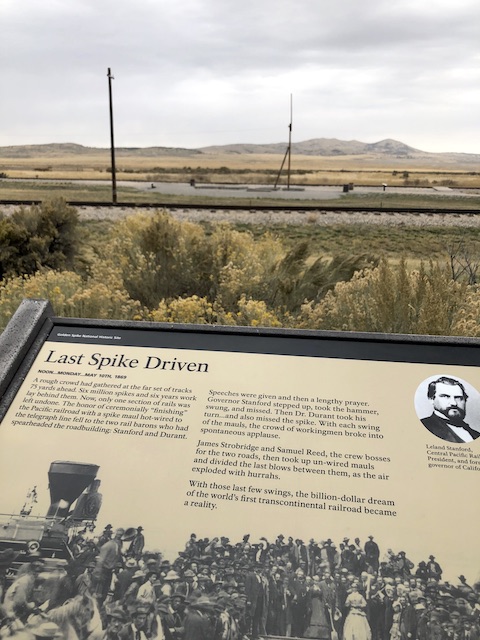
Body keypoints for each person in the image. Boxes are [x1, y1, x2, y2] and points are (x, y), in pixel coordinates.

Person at [420, 377, 480, 443]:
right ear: (431, 399)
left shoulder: (476, 435)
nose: (453, 403)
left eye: (458, 398)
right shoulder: (422, 427)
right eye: (445, 396)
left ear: (465, 400)